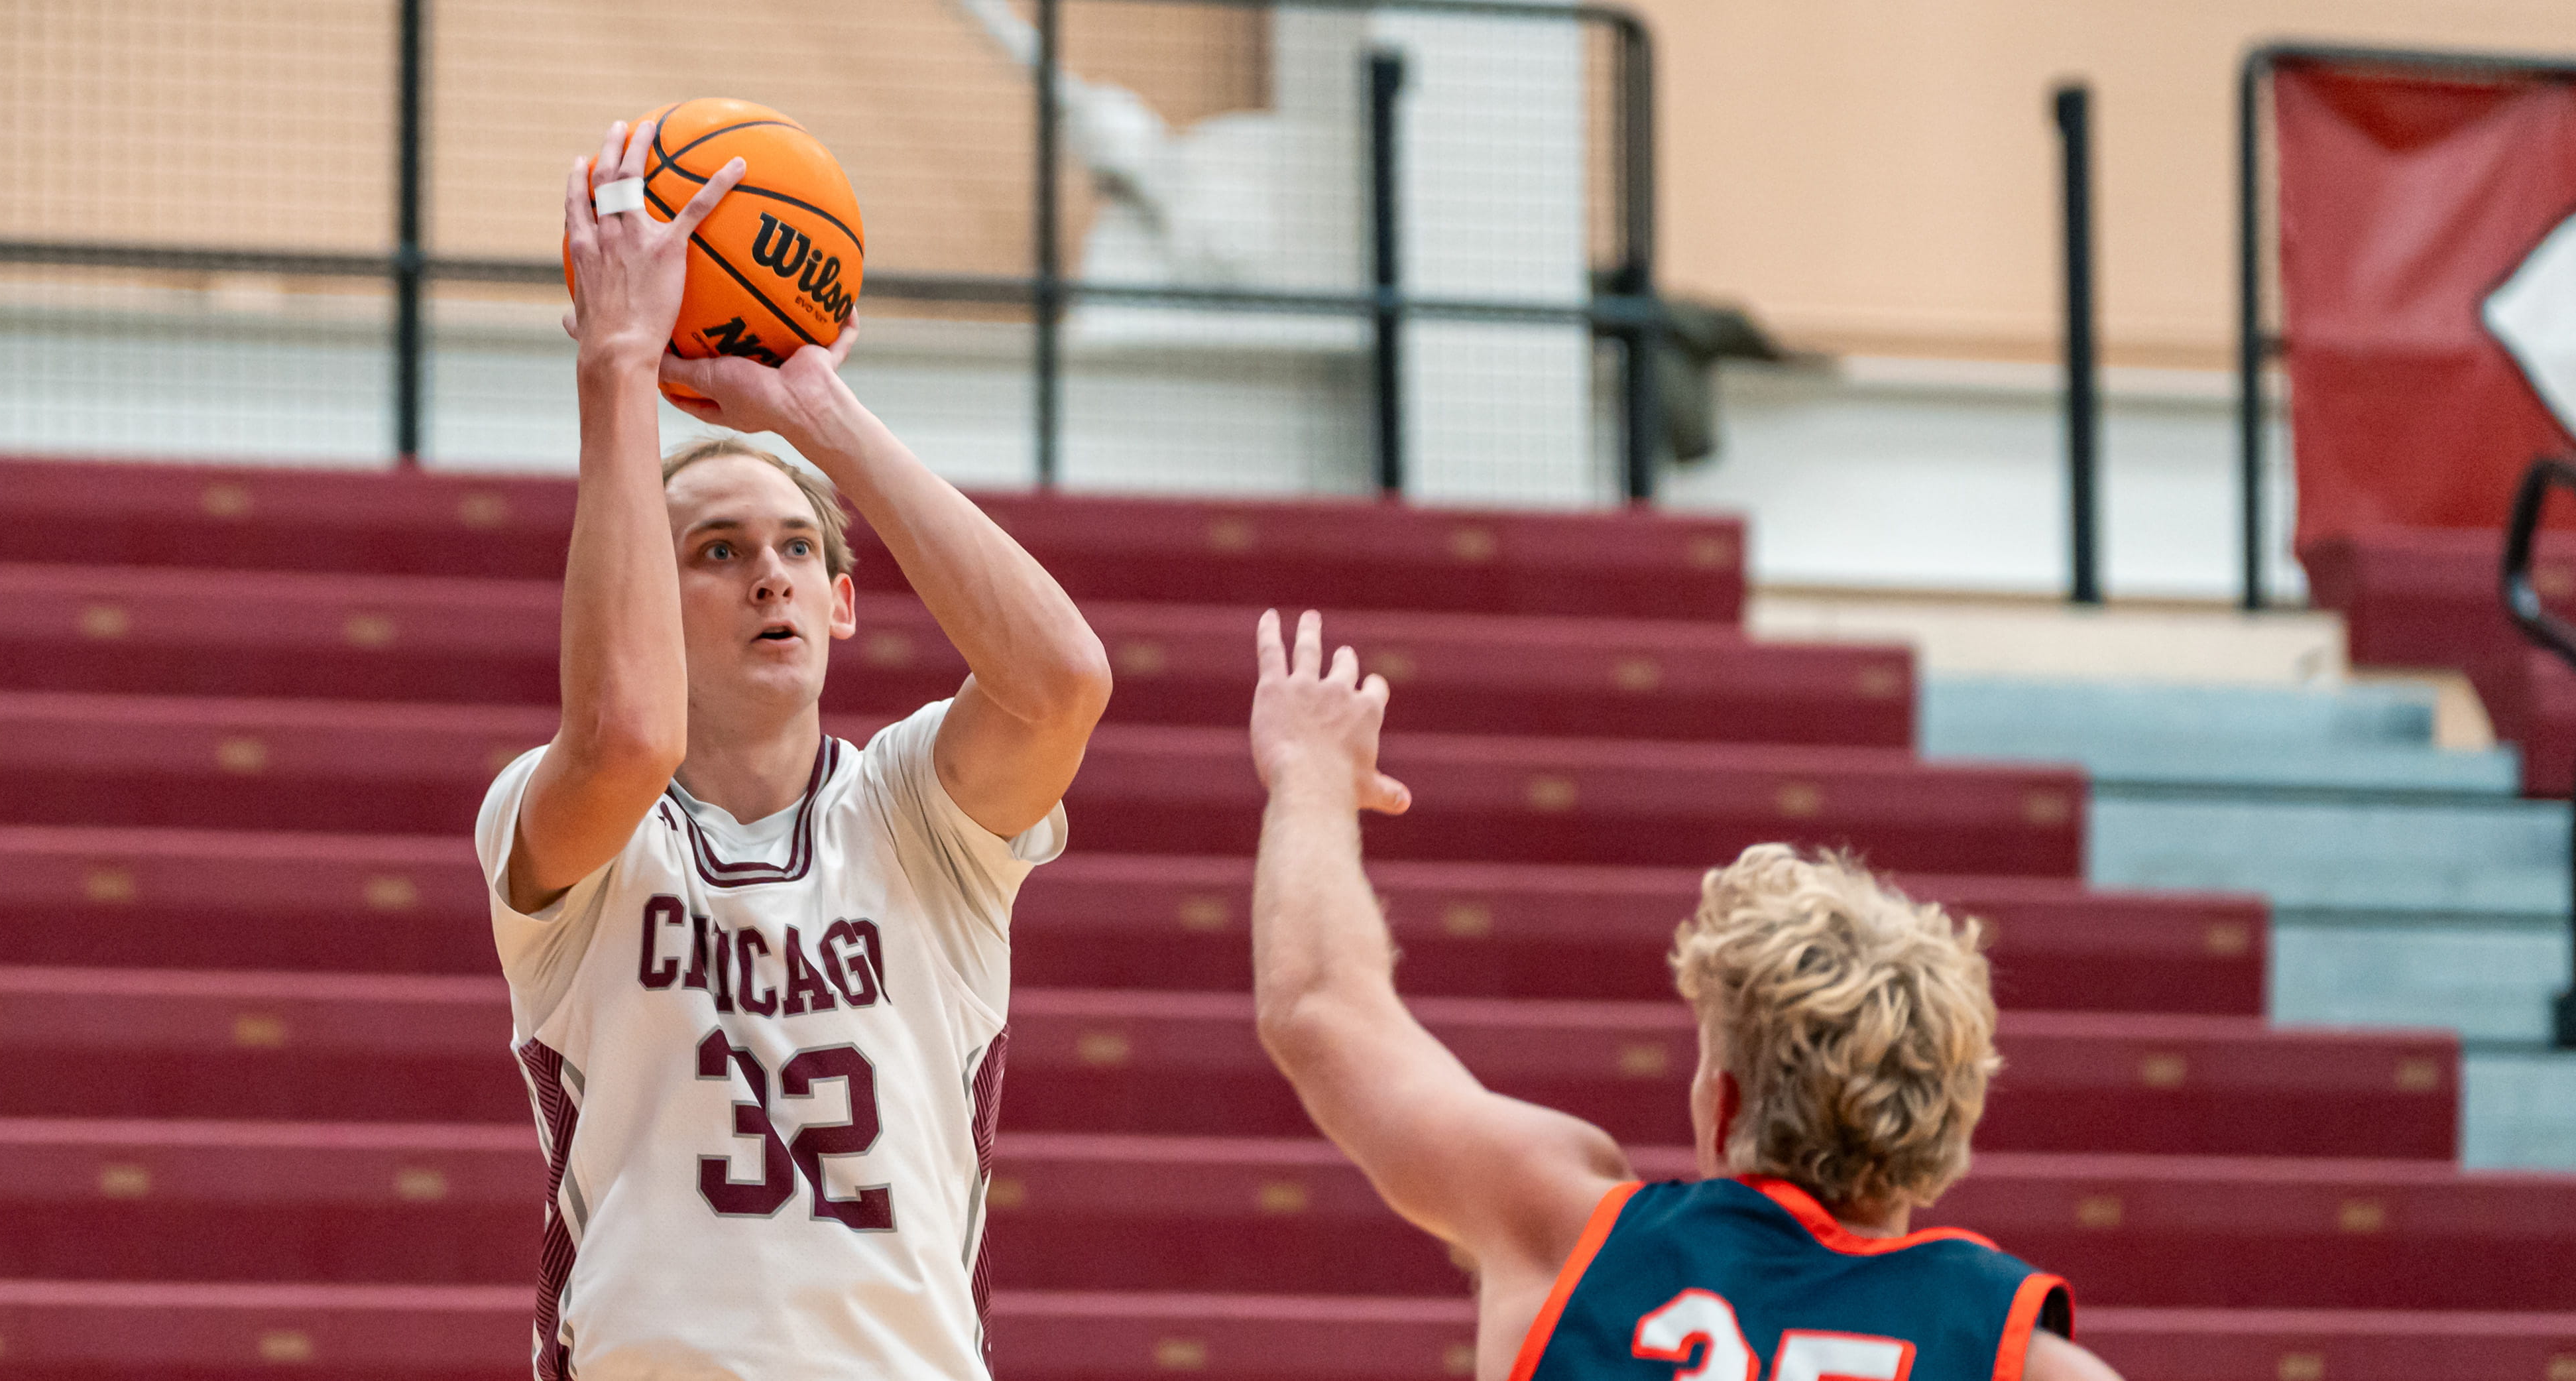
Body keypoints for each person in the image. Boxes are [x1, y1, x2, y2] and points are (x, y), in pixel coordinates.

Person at [471, 119, 1111, 1381]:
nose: (769, 571)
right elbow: (626, 738)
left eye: (797, 549)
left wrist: (819, 411)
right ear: (653, 590)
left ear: (842, 602)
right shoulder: (565, 823)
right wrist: (616, 365)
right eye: (717, 551)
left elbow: (1062, 685)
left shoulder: (915, 818)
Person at [1242, 610, 2125, 1381]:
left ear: (1725, 1099)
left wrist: (1312, 768)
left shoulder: (1568, 1233)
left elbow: (1320, 1006)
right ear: (1944, 1129)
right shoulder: (2010, 1352)